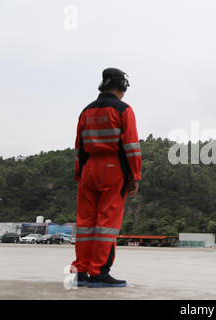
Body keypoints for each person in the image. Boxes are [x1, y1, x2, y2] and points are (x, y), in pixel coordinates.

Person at [71, 67, 142, 288]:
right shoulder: (123, 109)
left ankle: (81, 272)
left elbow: (79, 147)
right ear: (121, 87)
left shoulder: (86, 111)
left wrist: (79, 173)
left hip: (88, 168)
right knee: (106, 224)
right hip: (112, 168)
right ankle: (99, 273)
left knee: (85, 224)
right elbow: (131, 146)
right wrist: (135, 175)